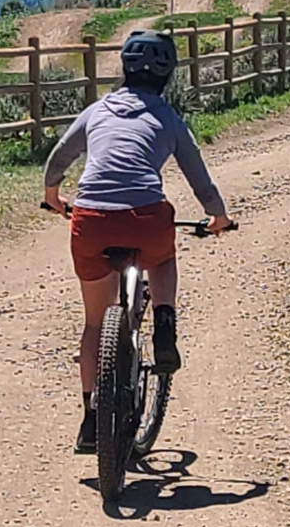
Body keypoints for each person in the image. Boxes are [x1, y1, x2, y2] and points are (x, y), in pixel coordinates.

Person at [43, 32, 233, 453]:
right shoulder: (167, 117)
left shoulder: (97, 110)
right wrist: (218, 217)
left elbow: (59, 156)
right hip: (145, 218)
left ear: (124, 67)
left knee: (95, 322)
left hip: (90, 220)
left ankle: (91, 421)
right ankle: (164, 322)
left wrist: (53, 197)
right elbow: (198, 177)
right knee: (161, 259)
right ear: (169, 75)